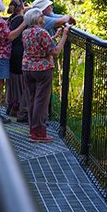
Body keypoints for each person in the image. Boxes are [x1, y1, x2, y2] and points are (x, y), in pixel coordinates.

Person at [21, 7, 70, 142]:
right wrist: (65, 35)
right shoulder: (42, 33)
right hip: (42, 69)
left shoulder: (26, 33)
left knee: (31, 98)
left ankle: (33, 130)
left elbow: (38, 45)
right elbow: (55, 51)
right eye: (42, 16)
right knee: (41, 100)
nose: (44, 18)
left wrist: (54, 36)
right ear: (38, 18)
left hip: (27, 68)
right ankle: (39, 133)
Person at [6, 0, 28, 122]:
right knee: (20, 82)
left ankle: (11, 106)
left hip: (12, 53)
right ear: (22, 7)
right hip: (19, 53)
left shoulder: (11, 19)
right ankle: (19, 108)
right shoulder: (21, 20)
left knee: (13, 81)